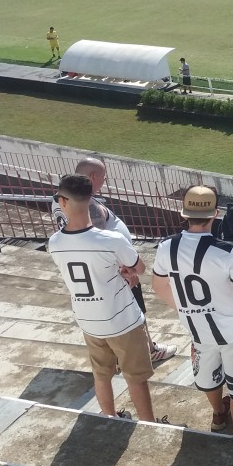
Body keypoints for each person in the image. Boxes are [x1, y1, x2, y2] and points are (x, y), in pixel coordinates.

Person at [152, 186, 233, 437]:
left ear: (184, 214)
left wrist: (185, 308)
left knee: (209, 377)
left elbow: (158, 286)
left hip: (198, 329)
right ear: (215, 214)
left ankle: (218, 415)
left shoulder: (165, 247)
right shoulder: (227, 250)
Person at [47, 174, 157, 422]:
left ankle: (109, 417)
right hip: (122, 320)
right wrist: (127, 271)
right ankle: (149, 423)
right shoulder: (112, 240)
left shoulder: (54, 243)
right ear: (91, 200)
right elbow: (139, 268)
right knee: (136, 377)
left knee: (101, 373)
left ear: (63, 201)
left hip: (88, 320)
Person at [51, 157, 176, 364]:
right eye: (103, 176)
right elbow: (98, 238)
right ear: (92, 177)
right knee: (135, 313)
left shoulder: (62, 198)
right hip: (116, 269)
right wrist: (127, 271)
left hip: (90, 267)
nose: (105, 180)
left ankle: (141, 349)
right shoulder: (88, 207)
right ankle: (149, 350)